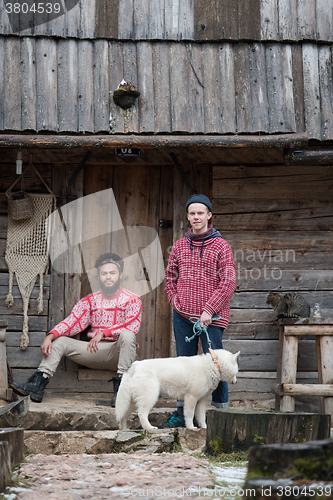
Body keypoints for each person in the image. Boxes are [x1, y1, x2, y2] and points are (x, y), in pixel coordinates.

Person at [11, 252, 142, 405]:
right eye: (104, 273)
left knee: (127, 335)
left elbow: (132, 326)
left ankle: (121, 393)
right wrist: (51, 335)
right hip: (94, 351)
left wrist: (104, 332)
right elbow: (73, 321)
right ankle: (37, 385)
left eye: (112, 273)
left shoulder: (132, 299)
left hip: (118, 353)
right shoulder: (90, 300)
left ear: (120, 275)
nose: (108, 277)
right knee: (60, 341)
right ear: (98, 276)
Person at [163, 194, 236, 427]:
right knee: (183, 366)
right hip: (183, 317)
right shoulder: (179, 246)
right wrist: (174, 300)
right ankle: (181, 413)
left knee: (216, 365)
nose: (196, 217)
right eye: (192, 213)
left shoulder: (221, 246)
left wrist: (209, 309)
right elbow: (169, 277)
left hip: (212, 318)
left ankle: (219, 413)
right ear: (187, 216)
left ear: (209, 215)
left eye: (200, 213)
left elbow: (228, 282)